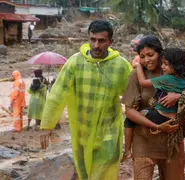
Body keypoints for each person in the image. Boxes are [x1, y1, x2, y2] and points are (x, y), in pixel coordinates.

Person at [39, 20, 132, 180]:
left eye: (101, 41)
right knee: (84, 174)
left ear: (111, 42)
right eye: (93, 39)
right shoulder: (75, 63)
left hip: (109, 132)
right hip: (82, 131)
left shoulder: (121, 66)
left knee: (102, 174)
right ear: (88, 39)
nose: (96, 45)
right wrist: (47, 125)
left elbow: (133, 94)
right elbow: (57, 93)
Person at [122, 35, 185, 180]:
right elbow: (129, 111)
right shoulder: (136, 76)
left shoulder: (175, 73)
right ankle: (127, 151)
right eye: (142, 56)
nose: (146, 60)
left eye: (151, 55)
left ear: (160, 54)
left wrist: (178, 97)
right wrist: (156, 127)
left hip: (172, 141)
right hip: (144, 140)